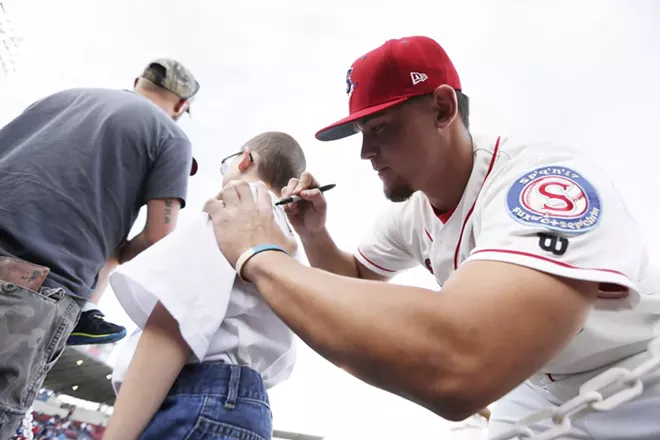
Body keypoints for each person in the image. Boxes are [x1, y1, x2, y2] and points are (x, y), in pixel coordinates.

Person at [203, 36, 660, 439]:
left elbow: (463, 363)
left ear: (442, 109)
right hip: (539, 386)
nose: (364, 152)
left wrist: (259, 255)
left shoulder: (542, 182)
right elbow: (355, 278)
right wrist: (314, 235)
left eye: (380, 127)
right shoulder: (414, 211)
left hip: (639, 376)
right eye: (361, 133)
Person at [0, 58, 199, 438]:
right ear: (181, 106)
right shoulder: (170, 136)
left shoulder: (60, 99)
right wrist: (119, 251)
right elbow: (160, 235)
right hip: (31, 287)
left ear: (138, 81)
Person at [103, 132, 306, 440]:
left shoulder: (235, 210)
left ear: (245, 159)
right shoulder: (288, 241)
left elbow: (172, 325)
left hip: (198, 397)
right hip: (251, 408)